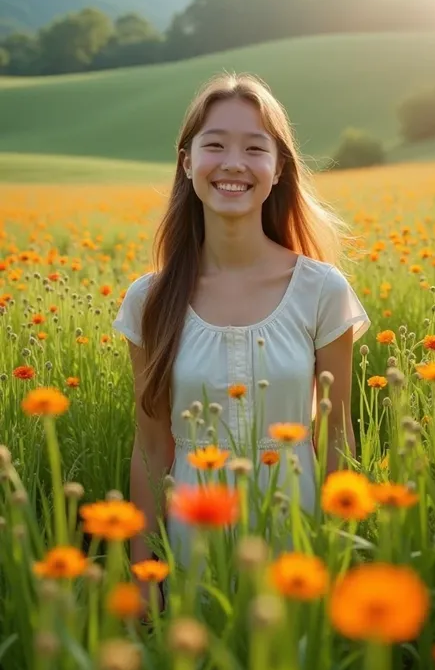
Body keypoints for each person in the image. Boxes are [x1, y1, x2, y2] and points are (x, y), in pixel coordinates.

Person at [112, 72, 370, 604]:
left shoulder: (322, 291)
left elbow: (338, 438)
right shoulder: (149, 299)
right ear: (187, 163)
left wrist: (336, 551)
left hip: (296, 538)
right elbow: (151, 446)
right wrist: (143, 576)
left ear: (278, 169)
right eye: (215, 145)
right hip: (190, 538)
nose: (233, 163)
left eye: (255, 147)